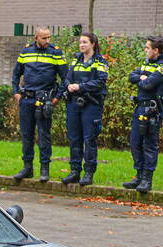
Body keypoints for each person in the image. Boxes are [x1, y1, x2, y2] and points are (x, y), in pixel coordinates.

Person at [11, 27, 68, 182]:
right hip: (27, 99)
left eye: (49, 37)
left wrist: (56, 98)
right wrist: (16, 92)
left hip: (45, 100)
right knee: (27, 135)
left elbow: (65, 78)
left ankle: (44, 169)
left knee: (44, 135)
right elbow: (16, 74)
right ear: (36, 37)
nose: (47, 41)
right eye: (44, 38)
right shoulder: (26, 51)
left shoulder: (55, 52)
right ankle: (27, 167)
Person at [123, 35, 163, 193]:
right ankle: (138, 175)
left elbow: (148, 85)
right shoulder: (147, 64)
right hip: (140, 108)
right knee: (135, 143)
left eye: (147, 48)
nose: (145, 50)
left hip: (153, 110)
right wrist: (141, 76)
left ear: (156, 50)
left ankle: (147, 179)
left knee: (149, 144)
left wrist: (143, 80)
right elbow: (131, 77)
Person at [61, 32, 108, 186]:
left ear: (93, 44)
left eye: (85, 42)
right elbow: (67, 77)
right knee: (74, 138)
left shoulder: (100, 61)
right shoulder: (76, 59)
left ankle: (88, 172)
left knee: (89, 139)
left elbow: (100, 82)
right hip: (74, 104)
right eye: (80, 42)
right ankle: (75, 171)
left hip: (91, 104)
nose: (81, 45)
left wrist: (80, 86)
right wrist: (68, 84)